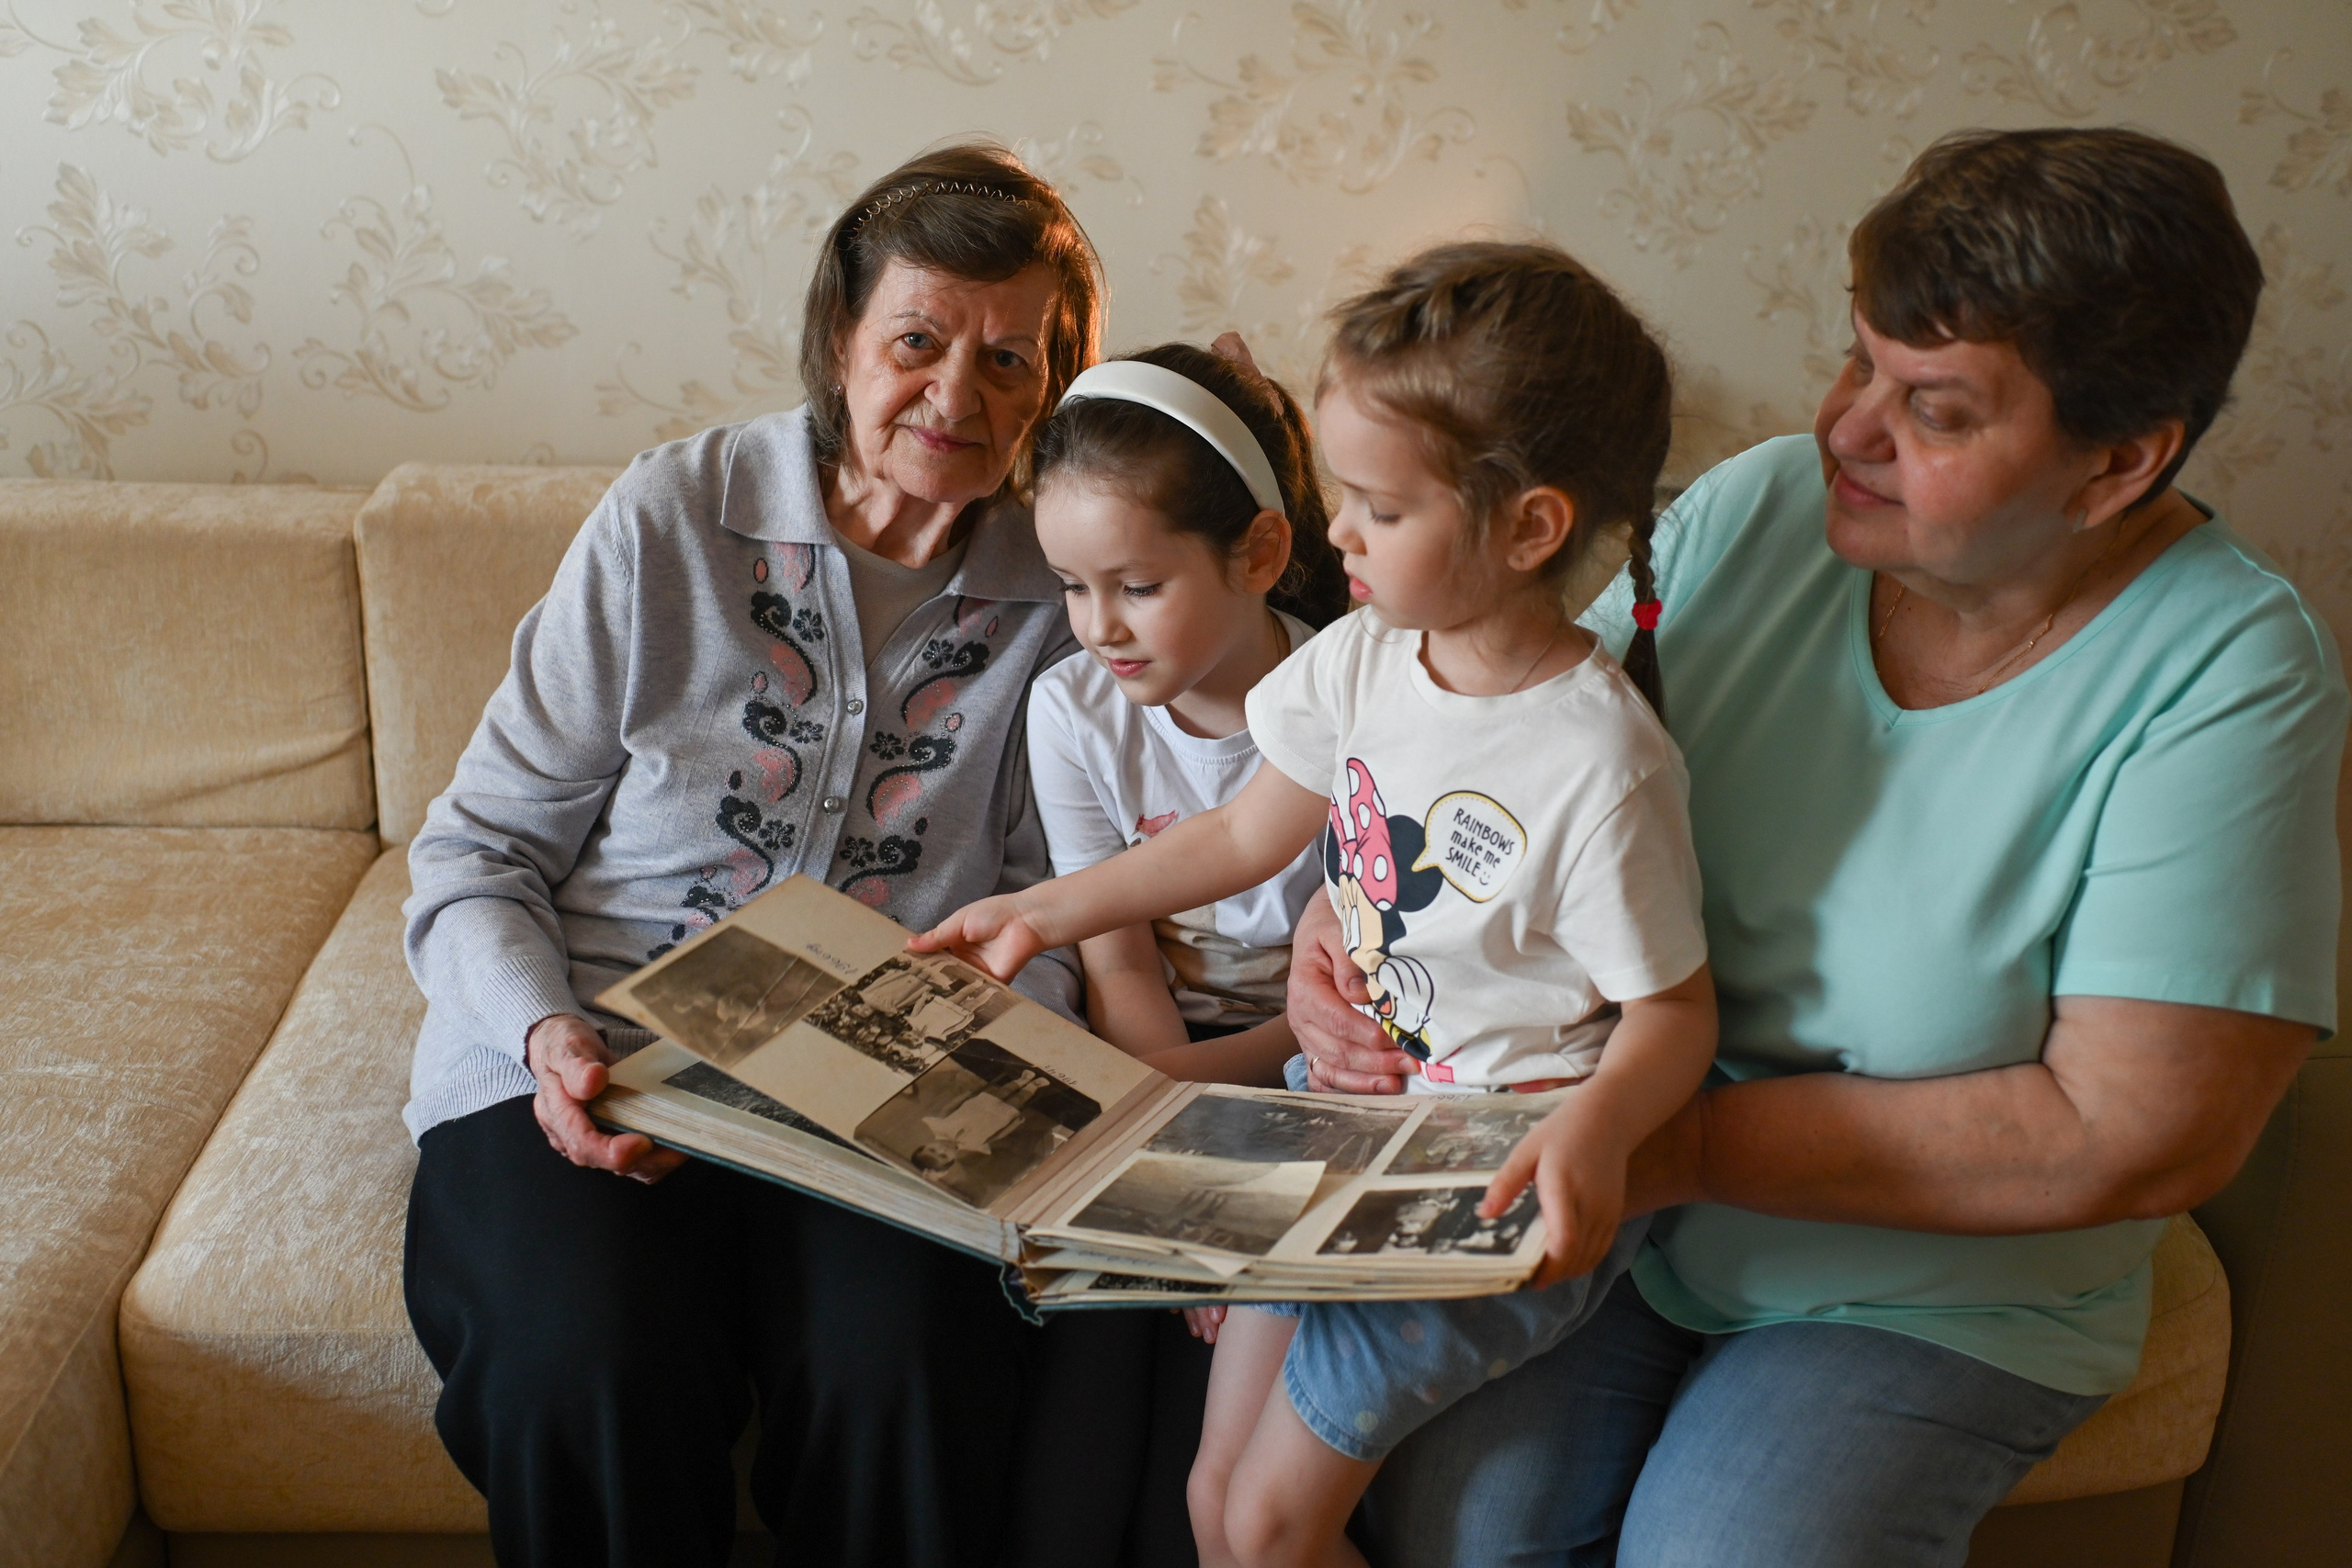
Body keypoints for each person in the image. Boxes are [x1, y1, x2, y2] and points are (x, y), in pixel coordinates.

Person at [1287, 128, 2348, 1568]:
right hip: (1611, 1189)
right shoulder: (1764, 505)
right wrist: (1343, 942)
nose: (1846, 428)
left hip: (1928, 1281)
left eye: (1935, 409)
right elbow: (1475, 773)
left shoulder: (2228, 672)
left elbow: (2139, 1127)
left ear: (2118, 461)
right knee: (1467, 1521)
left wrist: (1673, 1142)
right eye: (1858, 364)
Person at [914, 241, 1719, 1568]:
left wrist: (1597, 1135)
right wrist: (1045, 913)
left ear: (1529, 528)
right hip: (1347, 1130)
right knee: (1216, 1510)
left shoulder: (1599, 761)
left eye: (1378, 507)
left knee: (1276, 1525)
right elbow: (1238, 832)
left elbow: (1674, 1012)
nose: (1336, 530)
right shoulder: (1366, 656)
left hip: (1482, 1181)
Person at [399, 141, 1135, 1568]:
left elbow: (1059, 909)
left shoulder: (1070, 587)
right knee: (584, 1363)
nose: (956, 395)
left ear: (1057, 387)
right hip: (600, 1043)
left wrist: (973, 1068)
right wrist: (545, 1031)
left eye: (1009, 361)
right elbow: (479, 847)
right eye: (917, 342)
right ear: (840, 342)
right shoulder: (672, 516)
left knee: (911, 1373)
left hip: (896, 1091)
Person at [1023, 333, 1348, 1090]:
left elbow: (1356, 971)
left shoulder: (1346, 694)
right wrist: (1160, 1083)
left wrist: (1182, 1088)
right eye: (1072, 585)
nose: (1100, 628)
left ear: (1260, 554)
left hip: (1329, 1039)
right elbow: (1118, 954)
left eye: (1138, 587)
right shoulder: (1070, 713)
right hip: (1163, 1048)